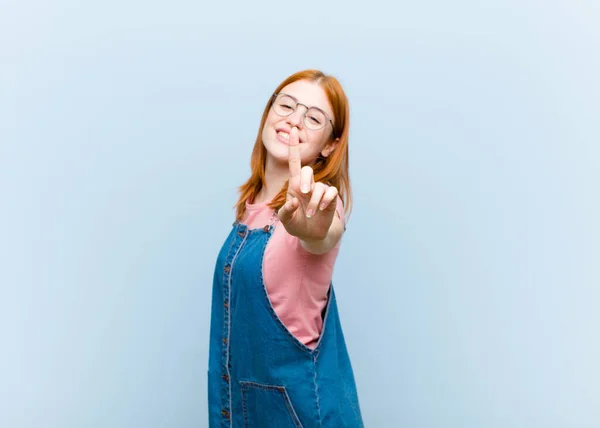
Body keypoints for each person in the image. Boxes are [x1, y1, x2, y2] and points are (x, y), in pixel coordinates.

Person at [208, 69, 363, 427]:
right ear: (268, 112)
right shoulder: (249, 208)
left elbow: (323, 233)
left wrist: (312, 227)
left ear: (329, 145)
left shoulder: (320, 205)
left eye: (312, 117)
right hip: (237, 413)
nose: (293, 119)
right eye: (287, 105)